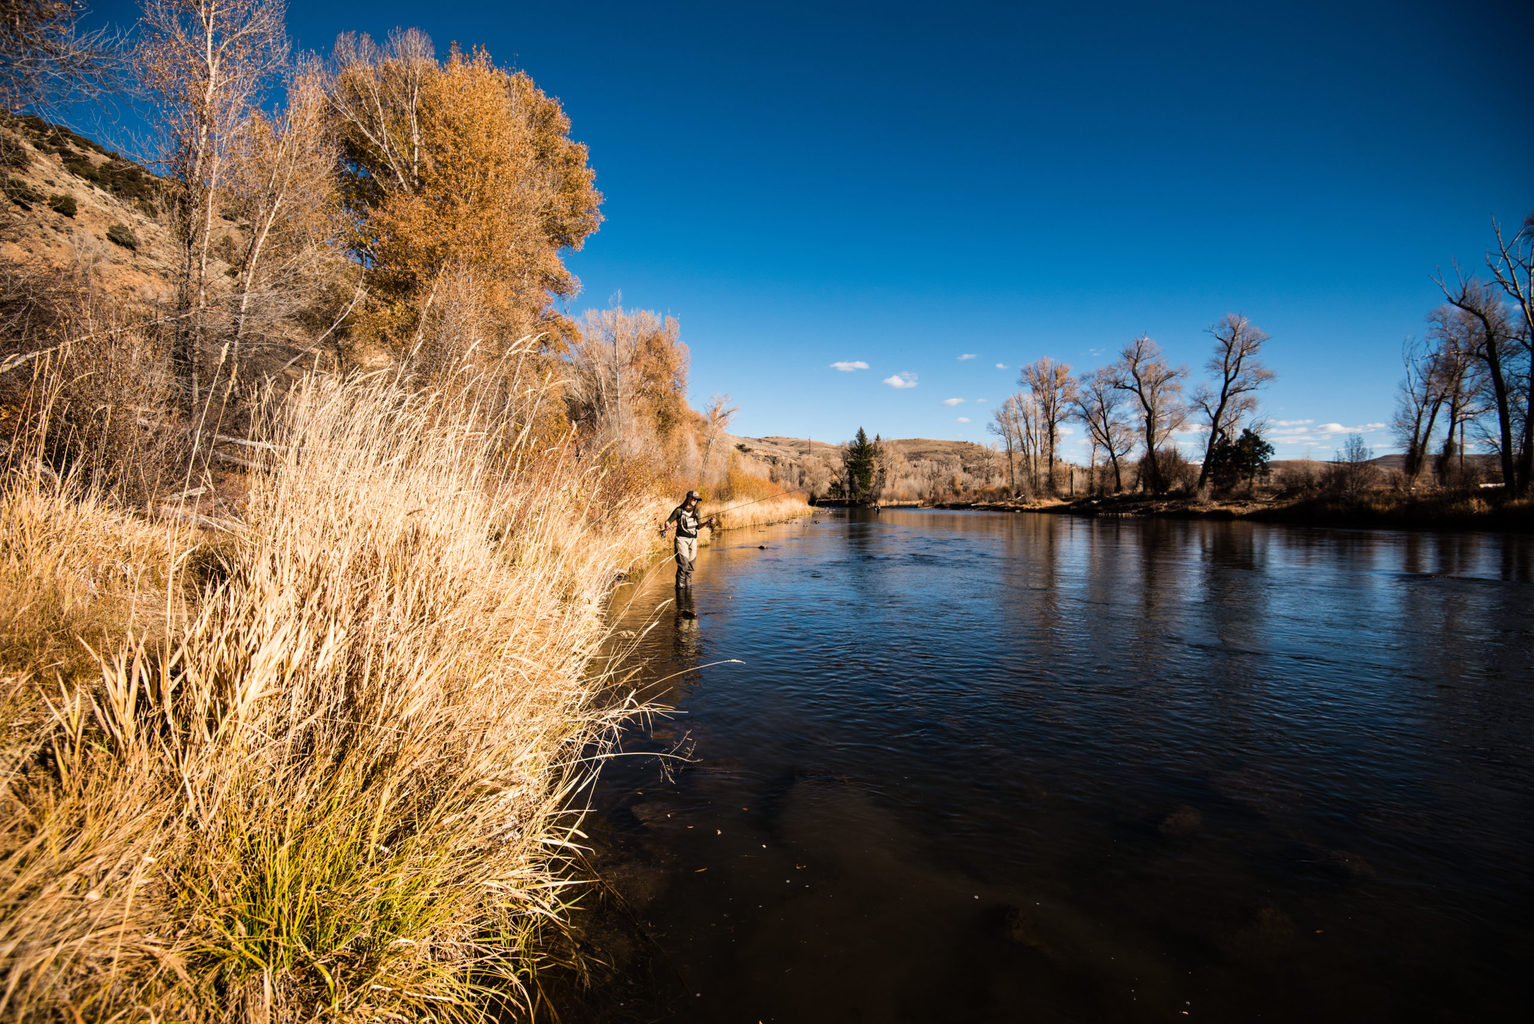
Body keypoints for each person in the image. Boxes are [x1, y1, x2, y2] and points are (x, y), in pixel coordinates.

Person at [659, 489, 717, 589]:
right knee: (683, 565)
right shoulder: (679, 510)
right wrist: (667, 526)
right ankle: (680, 588)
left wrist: (707, 522)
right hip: (681, 539)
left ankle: (688, 588)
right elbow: (668, 521)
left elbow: (698, 526)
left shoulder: (697, 512)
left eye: (697, 500)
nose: (695, 501)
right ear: (688, 498)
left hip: (693, 540)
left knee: (690, 566)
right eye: (694, 499)